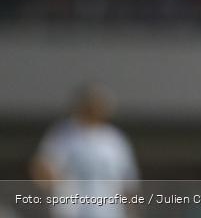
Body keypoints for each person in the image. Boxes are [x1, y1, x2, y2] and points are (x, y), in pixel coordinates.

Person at [30, 85, 139, 218]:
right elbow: (42, 167)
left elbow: (128, 182)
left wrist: (131, 212)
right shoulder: (63, 134)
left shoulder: (115, 140)